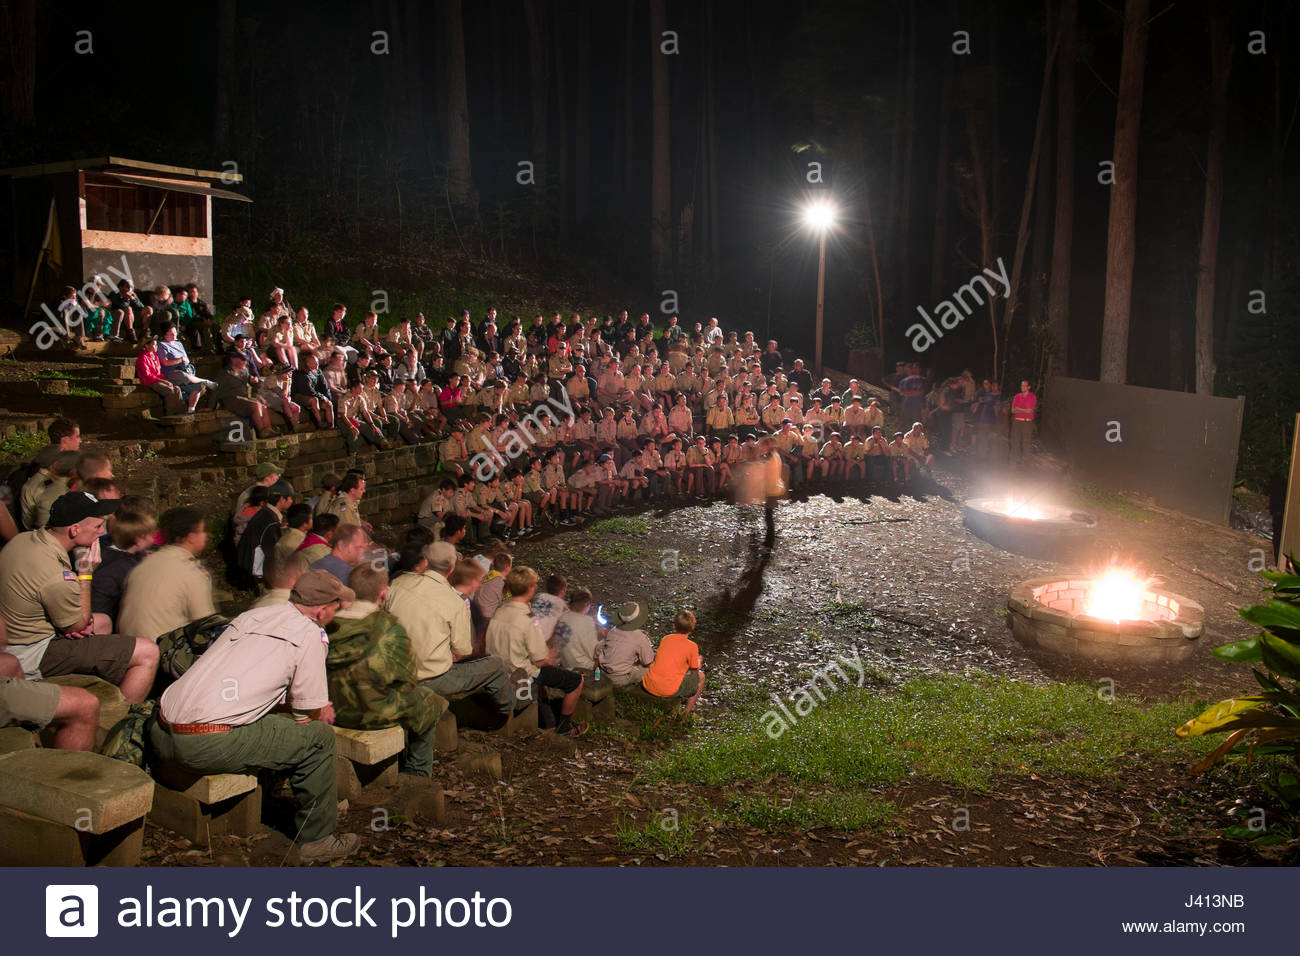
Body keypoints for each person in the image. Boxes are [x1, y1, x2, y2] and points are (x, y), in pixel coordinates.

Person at [148, 571, 359, 863]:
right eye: (337, 606)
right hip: (201, 743)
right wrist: (315, 711)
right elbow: (306, 711)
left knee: (273, 723)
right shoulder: (310, 634)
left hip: (160, 728)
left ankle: (305, 799)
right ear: (322, 609)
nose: (339, 611)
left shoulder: (253, 616)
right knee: (319, 739)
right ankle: (318, 839)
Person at [0, 492, 159, 702]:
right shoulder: (56, 577)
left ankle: (105, 687)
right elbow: (75, 626)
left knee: (102, 621)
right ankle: (122, 724)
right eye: (96, 527)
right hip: (33, 652)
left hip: (18, 634)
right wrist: (85, 574)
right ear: (74, 529)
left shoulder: (23, 539)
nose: (102, 531)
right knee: (148, 652)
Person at [326, 564, 447, 781]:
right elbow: (409, 677)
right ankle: (417, 772)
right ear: (383, 593)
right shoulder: (389, 627)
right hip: (374, 713)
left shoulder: (329, 624)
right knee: (430, 702)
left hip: (334, 710)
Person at [383, 542, 513, 719]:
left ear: (425, 561)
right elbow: (462, 652)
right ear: (452, 568)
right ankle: (507, 712)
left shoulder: (398, 583)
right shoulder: (455, 602)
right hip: (430, 677)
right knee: (496, 664)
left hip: (394, 670)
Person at [485, 566, 587, 737]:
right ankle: (564, 726)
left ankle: (546, 717)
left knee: (545, 679)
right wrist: (552, 656)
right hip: (520, 673)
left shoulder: (499, 611)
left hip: (498, 668)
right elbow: (540, 660)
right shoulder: (528, 620)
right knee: (575, 681)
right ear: (530, 589)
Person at [117, 507, 216, 643]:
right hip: (165, 653)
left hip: (129, 649)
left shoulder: (143, 565)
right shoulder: (192, 571)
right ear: (191, 537)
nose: (206, 535)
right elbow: (205, 625)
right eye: (202, 531)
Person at [90, 508, 156, 634]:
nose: (153, 539)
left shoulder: (105, 553)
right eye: (150, 535)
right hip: (105, 625)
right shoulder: (128, 567)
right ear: (139, 539)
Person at [639, 609, 705, 713]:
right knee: (701, 676)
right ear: (692, 627)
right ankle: (686, 713)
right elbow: (694, 671)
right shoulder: (692, 646)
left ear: (674, 626)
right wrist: (699, 661)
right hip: (667, 690)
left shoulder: (666, 638)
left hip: (649, 684)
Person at [595, 600, 655, 688]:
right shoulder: (639, 637)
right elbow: (648, 661)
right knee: (649, 670)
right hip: (620, 678)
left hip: (603, 672)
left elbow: (598, 649)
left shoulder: (613, 631)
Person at [553, 586, 599, 671]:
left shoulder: (562, 616)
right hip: (582, 666)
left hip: (565, 662)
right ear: (587, 604)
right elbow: (593, 652)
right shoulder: (587, 621)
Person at [1011, 379, 1037, 465]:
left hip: (1027, 423)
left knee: (1026, 442)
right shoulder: (1017, 396)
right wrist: (1024, 410)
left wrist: (1019, 409)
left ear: (1029, 387)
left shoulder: (1032, 397)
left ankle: (1025, 463)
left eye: (1025, 385)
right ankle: (1014, 461)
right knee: (1015, 442)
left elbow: (1030, 411)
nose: (1022, 387)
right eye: (1022, 385)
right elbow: (1013, 411)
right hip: (1017, 422)